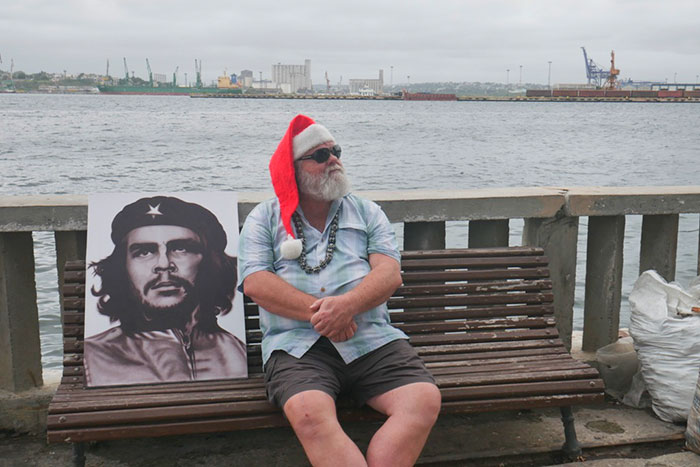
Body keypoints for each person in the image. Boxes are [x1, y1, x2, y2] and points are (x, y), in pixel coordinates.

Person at [238, 115, 441, 466]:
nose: (333, 159)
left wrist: (347, 307)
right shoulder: (264, 218)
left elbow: (389, 273)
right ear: (295, 169)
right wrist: (326, 314)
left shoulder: (367, 212)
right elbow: (256, 283)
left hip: (370, 339)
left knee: (422, 399)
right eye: (319, 156)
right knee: (307, 413)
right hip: (298, 346)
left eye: (335, 151)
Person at [84, 195, 247, 386]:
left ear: (210, 263)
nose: (164, 264)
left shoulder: (236, 351)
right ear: (122, 268)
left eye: (181, 249)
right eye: (144, 252)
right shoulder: (93, 357)